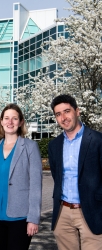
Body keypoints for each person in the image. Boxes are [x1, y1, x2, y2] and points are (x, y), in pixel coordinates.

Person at [0, 103, 42, 250]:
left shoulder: (30, 147)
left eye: (14, 118)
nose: (10, 122)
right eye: (6, 118)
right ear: (1, 121)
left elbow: (36, 185)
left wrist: (33, 218)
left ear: (20, 122)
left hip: (20, 216)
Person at [48, 94, 102, 250]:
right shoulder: (54, 145)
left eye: (67, 111)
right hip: (63, 212)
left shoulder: (98, 140)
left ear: (77, 111)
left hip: (92, 211)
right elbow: (56, 176)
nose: (63, 117)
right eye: (58, 114)